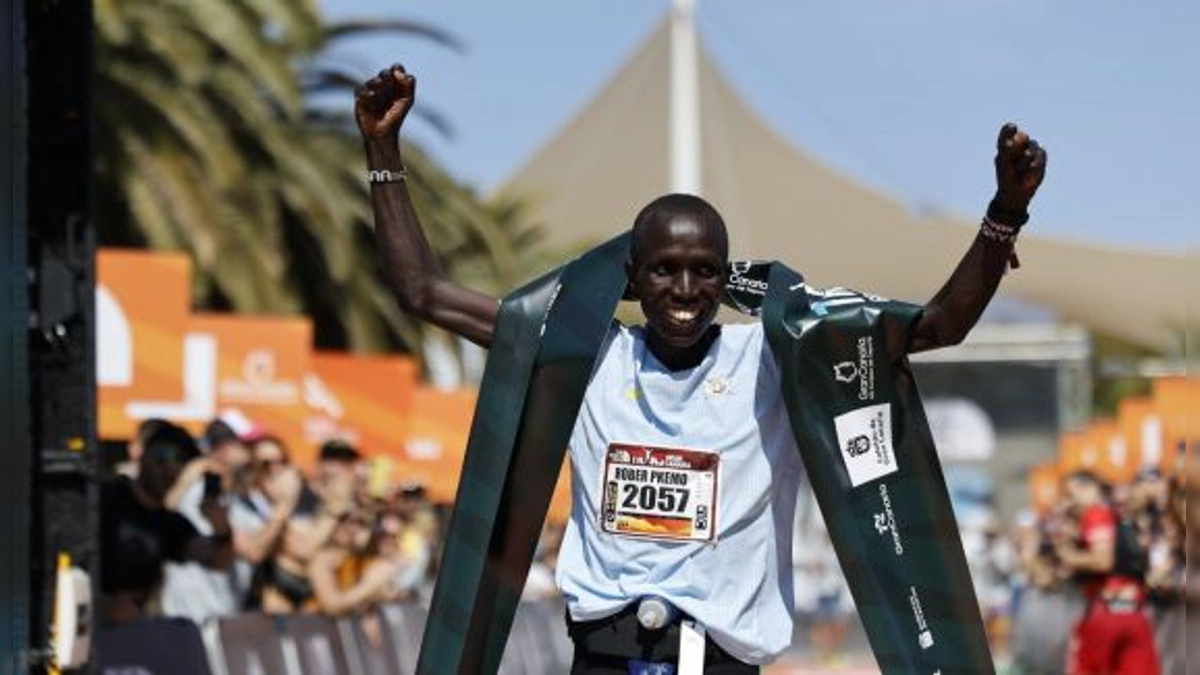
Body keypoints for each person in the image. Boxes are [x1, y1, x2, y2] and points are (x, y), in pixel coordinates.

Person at [356, 63, 1046, 672]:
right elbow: (423, 291)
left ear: (724, 278)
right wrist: (383, 151)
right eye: (664, 270)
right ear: (632, 276)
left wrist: (1004, 215)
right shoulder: (584, 353)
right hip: (604, 656)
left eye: (703, 272)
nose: (685, 291)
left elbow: (937, 325)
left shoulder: (773, 360)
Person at [99, 422, 235, 625]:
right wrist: (103, 602)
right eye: (161, 459)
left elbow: (217, 560)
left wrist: (222, 529)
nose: (169, 470)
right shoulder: (108, 498)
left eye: (179, 462)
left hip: (129, 630)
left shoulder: (169, 523)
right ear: (143, 457)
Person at [1055, 470, 1160, 675]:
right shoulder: (1120, 518)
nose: (1070, 502)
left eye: (1072, 494)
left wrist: (1067, 555)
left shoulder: (1096, 513)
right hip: (1133, 611)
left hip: (1106, 610)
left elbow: (1103, 561)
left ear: (1089, 488)